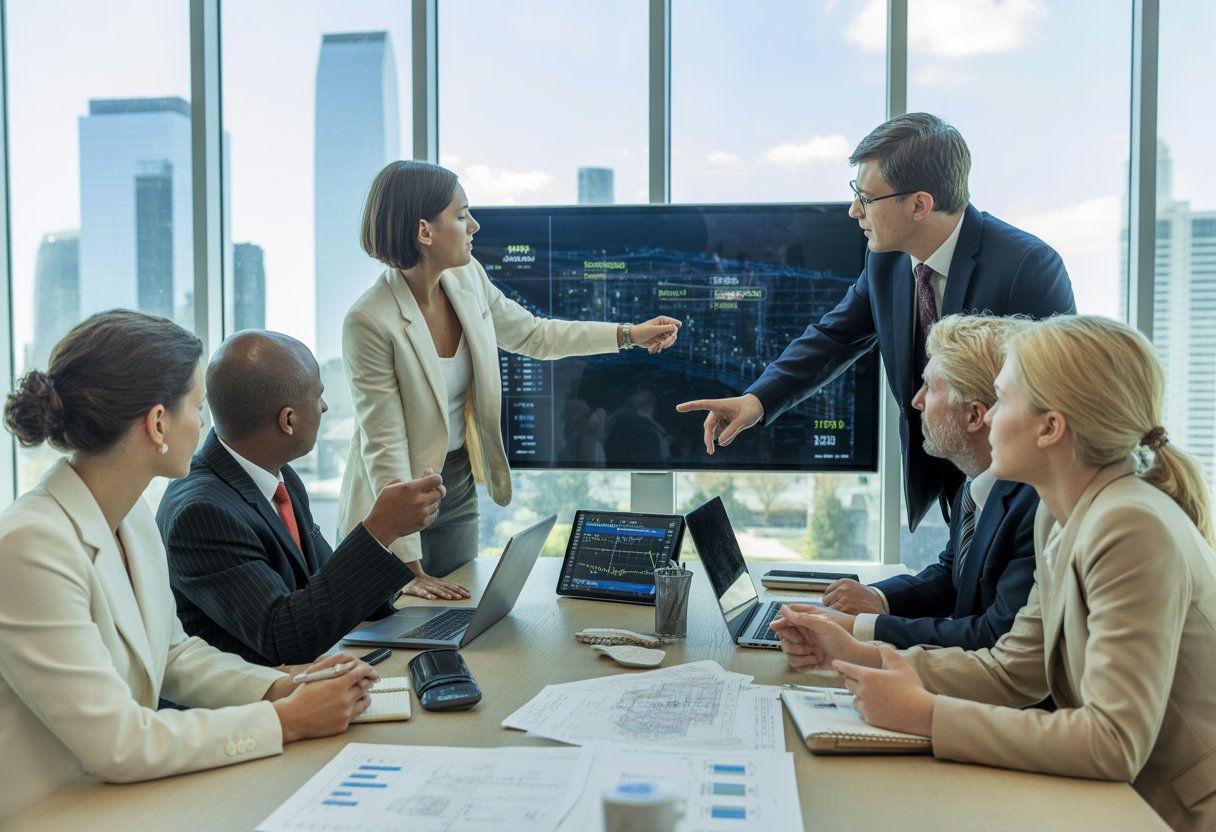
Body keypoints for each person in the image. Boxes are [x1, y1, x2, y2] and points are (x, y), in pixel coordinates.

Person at [772, 315, 1216, 832]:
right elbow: (1013, 671)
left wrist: (925, 715)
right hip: (1122, 799)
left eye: (1002, 401)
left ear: (1050, 428)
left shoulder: (1129, 524)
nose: (988, 416)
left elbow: (1113, 742)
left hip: (1170, 812)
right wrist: (850, 651)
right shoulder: (1065, 513)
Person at [0, 310, 379, 821]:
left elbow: (172, 654)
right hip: (56, 811)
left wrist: (284, 685)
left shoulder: (130, 515)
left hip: (119, 800)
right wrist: (283, 720)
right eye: (197, 407)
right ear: (157, 423)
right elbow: (118, 740)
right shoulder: (29, 546)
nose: (204, 423)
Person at [676, 113, 1075, 531]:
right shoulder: (885, 261)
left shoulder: (1027, 266)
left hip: (1018, 491)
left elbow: (1056, 398)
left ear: (920, 204)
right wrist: (756, 401)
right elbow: (834, 337)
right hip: (943, 478)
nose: (853, 210)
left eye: (866, 198)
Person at [338, 160, 681, 598]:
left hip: (455, 481)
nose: (474, 225)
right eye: (462, 215)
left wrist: (628, 335)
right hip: (397, 496)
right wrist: (410, 569)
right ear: (424, 232)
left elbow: (534, 334)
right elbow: (383, 447)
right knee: (405, 619)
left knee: (462, 611)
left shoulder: (467, 278)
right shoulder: (369, 321)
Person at [158, 330, 445, 666]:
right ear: (289, 420)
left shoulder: (280, 476)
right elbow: (286, 637)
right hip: (242, 710)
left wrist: (406, 601)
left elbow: (319, 583)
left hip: (302, 680)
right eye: (318, 396)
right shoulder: (201, 513)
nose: (323, 407)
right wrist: (381, 530)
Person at [819, 314, 1038, 649]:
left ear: (976, 415)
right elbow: (955, 577)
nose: (916, 401)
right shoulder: (975, 484)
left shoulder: (1034, 505)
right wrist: (879, 598)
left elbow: (995, 635)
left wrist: (863, 629)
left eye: (929, 387)